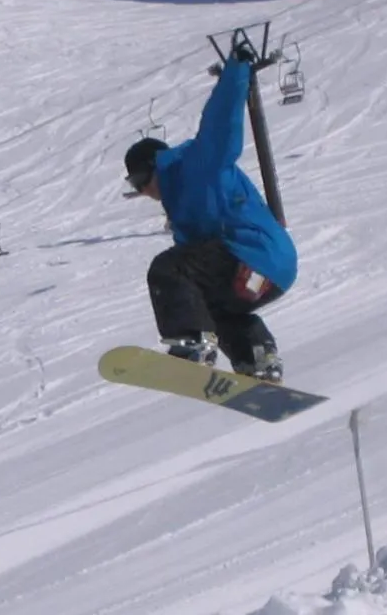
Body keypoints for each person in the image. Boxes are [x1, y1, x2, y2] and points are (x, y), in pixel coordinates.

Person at [122, 47, 297, 382]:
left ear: (156, 165)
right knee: (205, 303)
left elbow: (222, 122)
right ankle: (257, 358)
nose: (143, 190)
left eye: (141, 179)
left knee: (167, 270)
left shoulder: (195, 164)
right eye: (134, 185)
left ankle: (192, 344)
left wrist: (236, 71)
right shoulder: (182, 213)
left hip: (254, 254)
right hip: (268, 275)